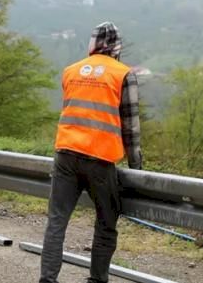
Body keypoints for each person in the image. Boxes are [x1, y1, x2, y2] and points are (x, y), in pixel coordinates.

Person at [39, 22, 142, 283]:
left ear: (93, 43)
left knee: (56, 222)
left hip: (66, 154)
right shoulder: (123, 74)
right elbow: (130, 126)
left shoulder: (71, 71)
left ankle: (47, 280)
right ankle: (97, 280)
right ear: (117, 46)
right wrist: (136, 166)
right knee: (106, 223)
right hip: (100, 160)